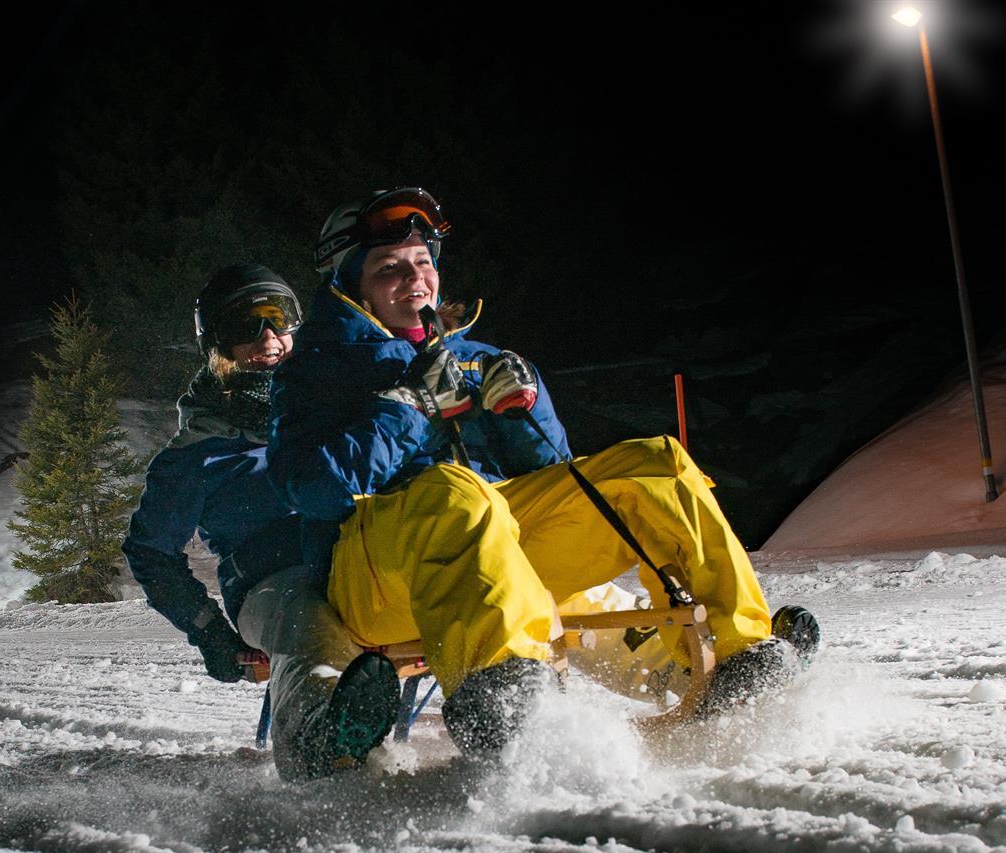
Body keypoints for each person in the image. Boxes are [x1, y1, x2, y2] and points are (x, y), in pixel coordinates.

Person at [268, 187, 817, 756]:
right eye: (389, 268)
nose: (415, 279)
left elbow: (557, 476)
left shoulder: (475, 356)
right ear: (351, 285)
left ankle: (738, 656)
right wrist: (409, 407)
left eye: (423, 262)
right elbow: (311, 489)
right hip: (376, 577)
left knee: (654, 464)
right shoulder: (314, 369)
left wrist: (525, 411)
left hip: (495, 547)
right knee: (456, 491)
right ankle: (502, 696)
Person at [122, 263, 404, 780]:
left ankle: (503, 696)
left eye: (279, 318)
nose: (268, 338)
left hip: (367, 561)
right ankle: (318, 737)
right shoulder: (200, 452)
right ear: (217, 346)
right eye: (245, 327)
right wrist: (209, 630)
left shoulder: (338, 409)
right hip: (273, 583)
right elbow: (150, 550)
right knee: (308, 621)